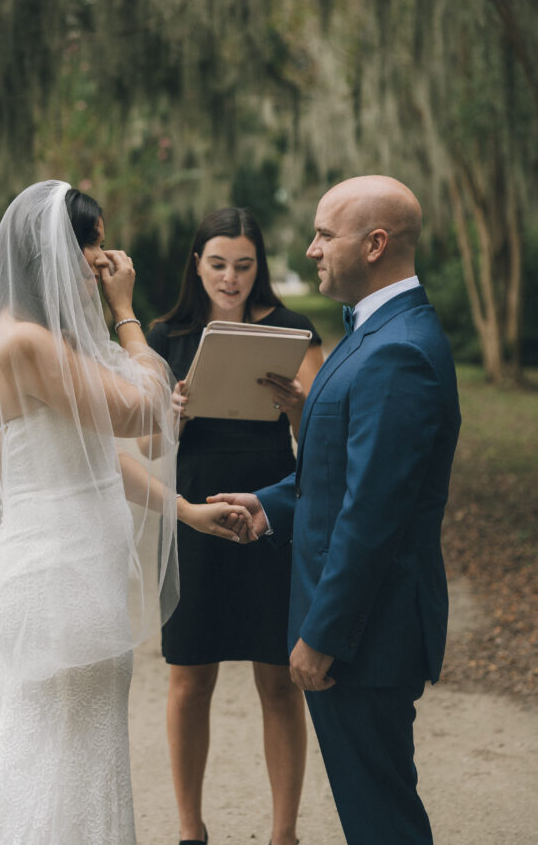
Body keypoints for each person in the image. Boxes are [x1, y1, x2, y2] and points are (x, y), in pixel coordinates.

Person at [0, 180, 253, 845]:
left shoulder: (46, 340)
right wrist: (126, 312)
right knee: (55, 762)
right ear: (51, 250)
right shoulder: (23, 343)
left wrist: (183, 509)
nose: (105, 257)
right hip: (57, 582)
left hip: (71, 575)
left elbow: (102, 460)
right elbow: (138, 409)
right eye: (94, 242)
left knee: (55, 760)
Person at [211, 176, 462, 845]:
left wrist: (323, 636)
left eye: (325, 234)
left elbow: (372, 514)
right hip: (361, 629)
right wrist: (269, 507)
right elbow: (345, 474)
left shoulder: (398, 351)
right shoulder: (371, 331)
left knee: (381, 820)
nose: (311, 248)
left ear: (374, 244)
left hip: (366, 637)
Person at [144, 206, 324, 845]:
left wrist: (301, 411)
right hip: (193, 509)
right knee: (189, 674)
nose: (231, 278)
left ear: (260, 267)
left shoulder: (294, 328)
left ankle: (284, 834)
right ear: (197, 264)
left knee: (280, 675)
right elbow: (141, 450)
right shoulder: (166, 336)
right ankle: (191, 830)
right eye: (218, 264)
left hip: (272, 507)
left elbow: (326, 443)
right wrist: (173, 416)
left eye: (244, 266)